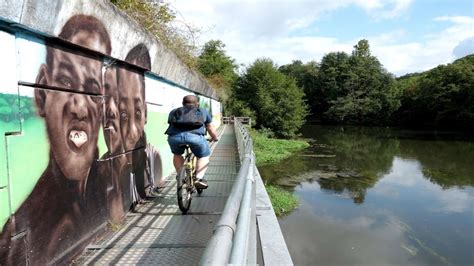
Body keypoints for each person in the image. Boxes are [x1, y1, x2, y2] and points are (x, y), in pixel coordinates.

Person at [0, 14, 111, 265]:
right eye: (66, 81)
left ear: (102, 109)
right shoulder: (12, 245)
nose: (80, 108)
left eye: (92, 89)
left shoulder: (110, 184)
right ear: (41, 94)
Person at [165, 95, 218, 189]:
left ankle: (180, 176)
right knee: (203, 156)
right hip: (195, 138)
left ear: (183, 103)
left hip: (174, 138)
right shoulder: (203, 111)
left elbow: (170, 124)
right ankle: (198, 178)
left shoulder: (174, 111)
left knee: (177, 154)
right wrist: (214, 137)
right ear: (197, 104)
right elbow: (210, 127)